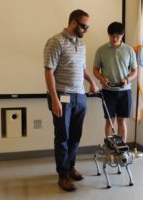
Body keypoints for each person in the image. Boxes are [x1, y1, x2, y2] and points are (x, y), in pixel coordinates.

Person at [44, 9, 98, 192]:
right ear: (73, 23)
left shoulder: (81, 45)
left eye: (87, 26)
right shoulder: (55, 41)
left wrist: (91, 83)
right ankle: (63, 176)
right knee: (63, 137)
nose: (86, 30)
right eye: (84, 26)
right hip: (62, 96)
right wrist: (55, 99)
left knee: (75, 136)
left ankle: (71, 167)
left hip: (80, 96)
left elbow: (82, 69)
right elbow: (49, 71)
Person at [93, 22, 137, 143]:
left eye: (118, 36)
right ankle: (109, 147)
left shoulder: (129, 50)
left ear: (122, 35)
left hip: (125, 91)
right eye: (112, 35)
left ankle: (122, 148)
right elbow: (95, 70)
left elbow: (135, 71)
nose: (114, 38)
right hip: (108, 92)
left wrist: (127, 80)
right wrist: (102, 79)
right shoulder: (101, 50)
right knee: (109, 121)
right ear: (108, 34)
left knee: (122, 121)